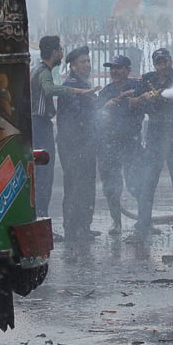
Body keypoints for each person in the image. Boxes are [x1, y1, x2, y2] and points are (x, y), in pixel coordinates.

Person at [129, 48, 173, 243]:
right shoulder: (147, 79)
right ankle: (141, 228)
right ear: (154, 64)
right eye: (159, 62)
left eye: (165, 61)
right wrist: (146, 98)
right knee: (148, 183)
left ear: (171, 61)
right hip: (155, 138)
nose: (163, 66)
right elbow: (133, 102)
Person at [30, 35, 97, 241]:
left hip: (43, 127)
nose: (61, 52)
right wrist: (79, 92)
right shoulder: (43, 72)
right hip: (41, 128)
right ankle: (43, 224)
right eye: (59, 49)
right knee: (44, 177)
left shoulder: (43, 71)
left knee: (46, 177)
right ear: (53, 52)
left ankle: (53, 224)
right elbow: (50, 91)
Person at [96, 55, 148, 236]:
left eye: (118, 68)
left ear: (127, 70)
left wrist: (134, 102)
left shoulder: (137, 86)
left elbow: (146, 103)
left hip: (131, 143)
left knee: (137, 184)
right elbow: (99, 111)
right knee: (111, 187)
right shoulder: (106, 91)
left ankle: (144, 222)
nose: (114, 71)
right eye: (112, 68)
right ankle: (116, 223)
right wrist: (124, 103)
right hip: (109, 145)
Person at [56, 45, 100, 242]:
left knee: (87, 185)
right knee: (75, 186)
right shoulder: (73, 86)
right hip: (73, 146)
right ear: (72, 65)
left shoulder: (83, 84)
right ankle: (73, 228)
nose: (87, 65)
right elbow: (75, 117)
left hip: (86, 144)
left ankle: (83, 226)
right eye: (83, 61)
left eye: (88, 61)